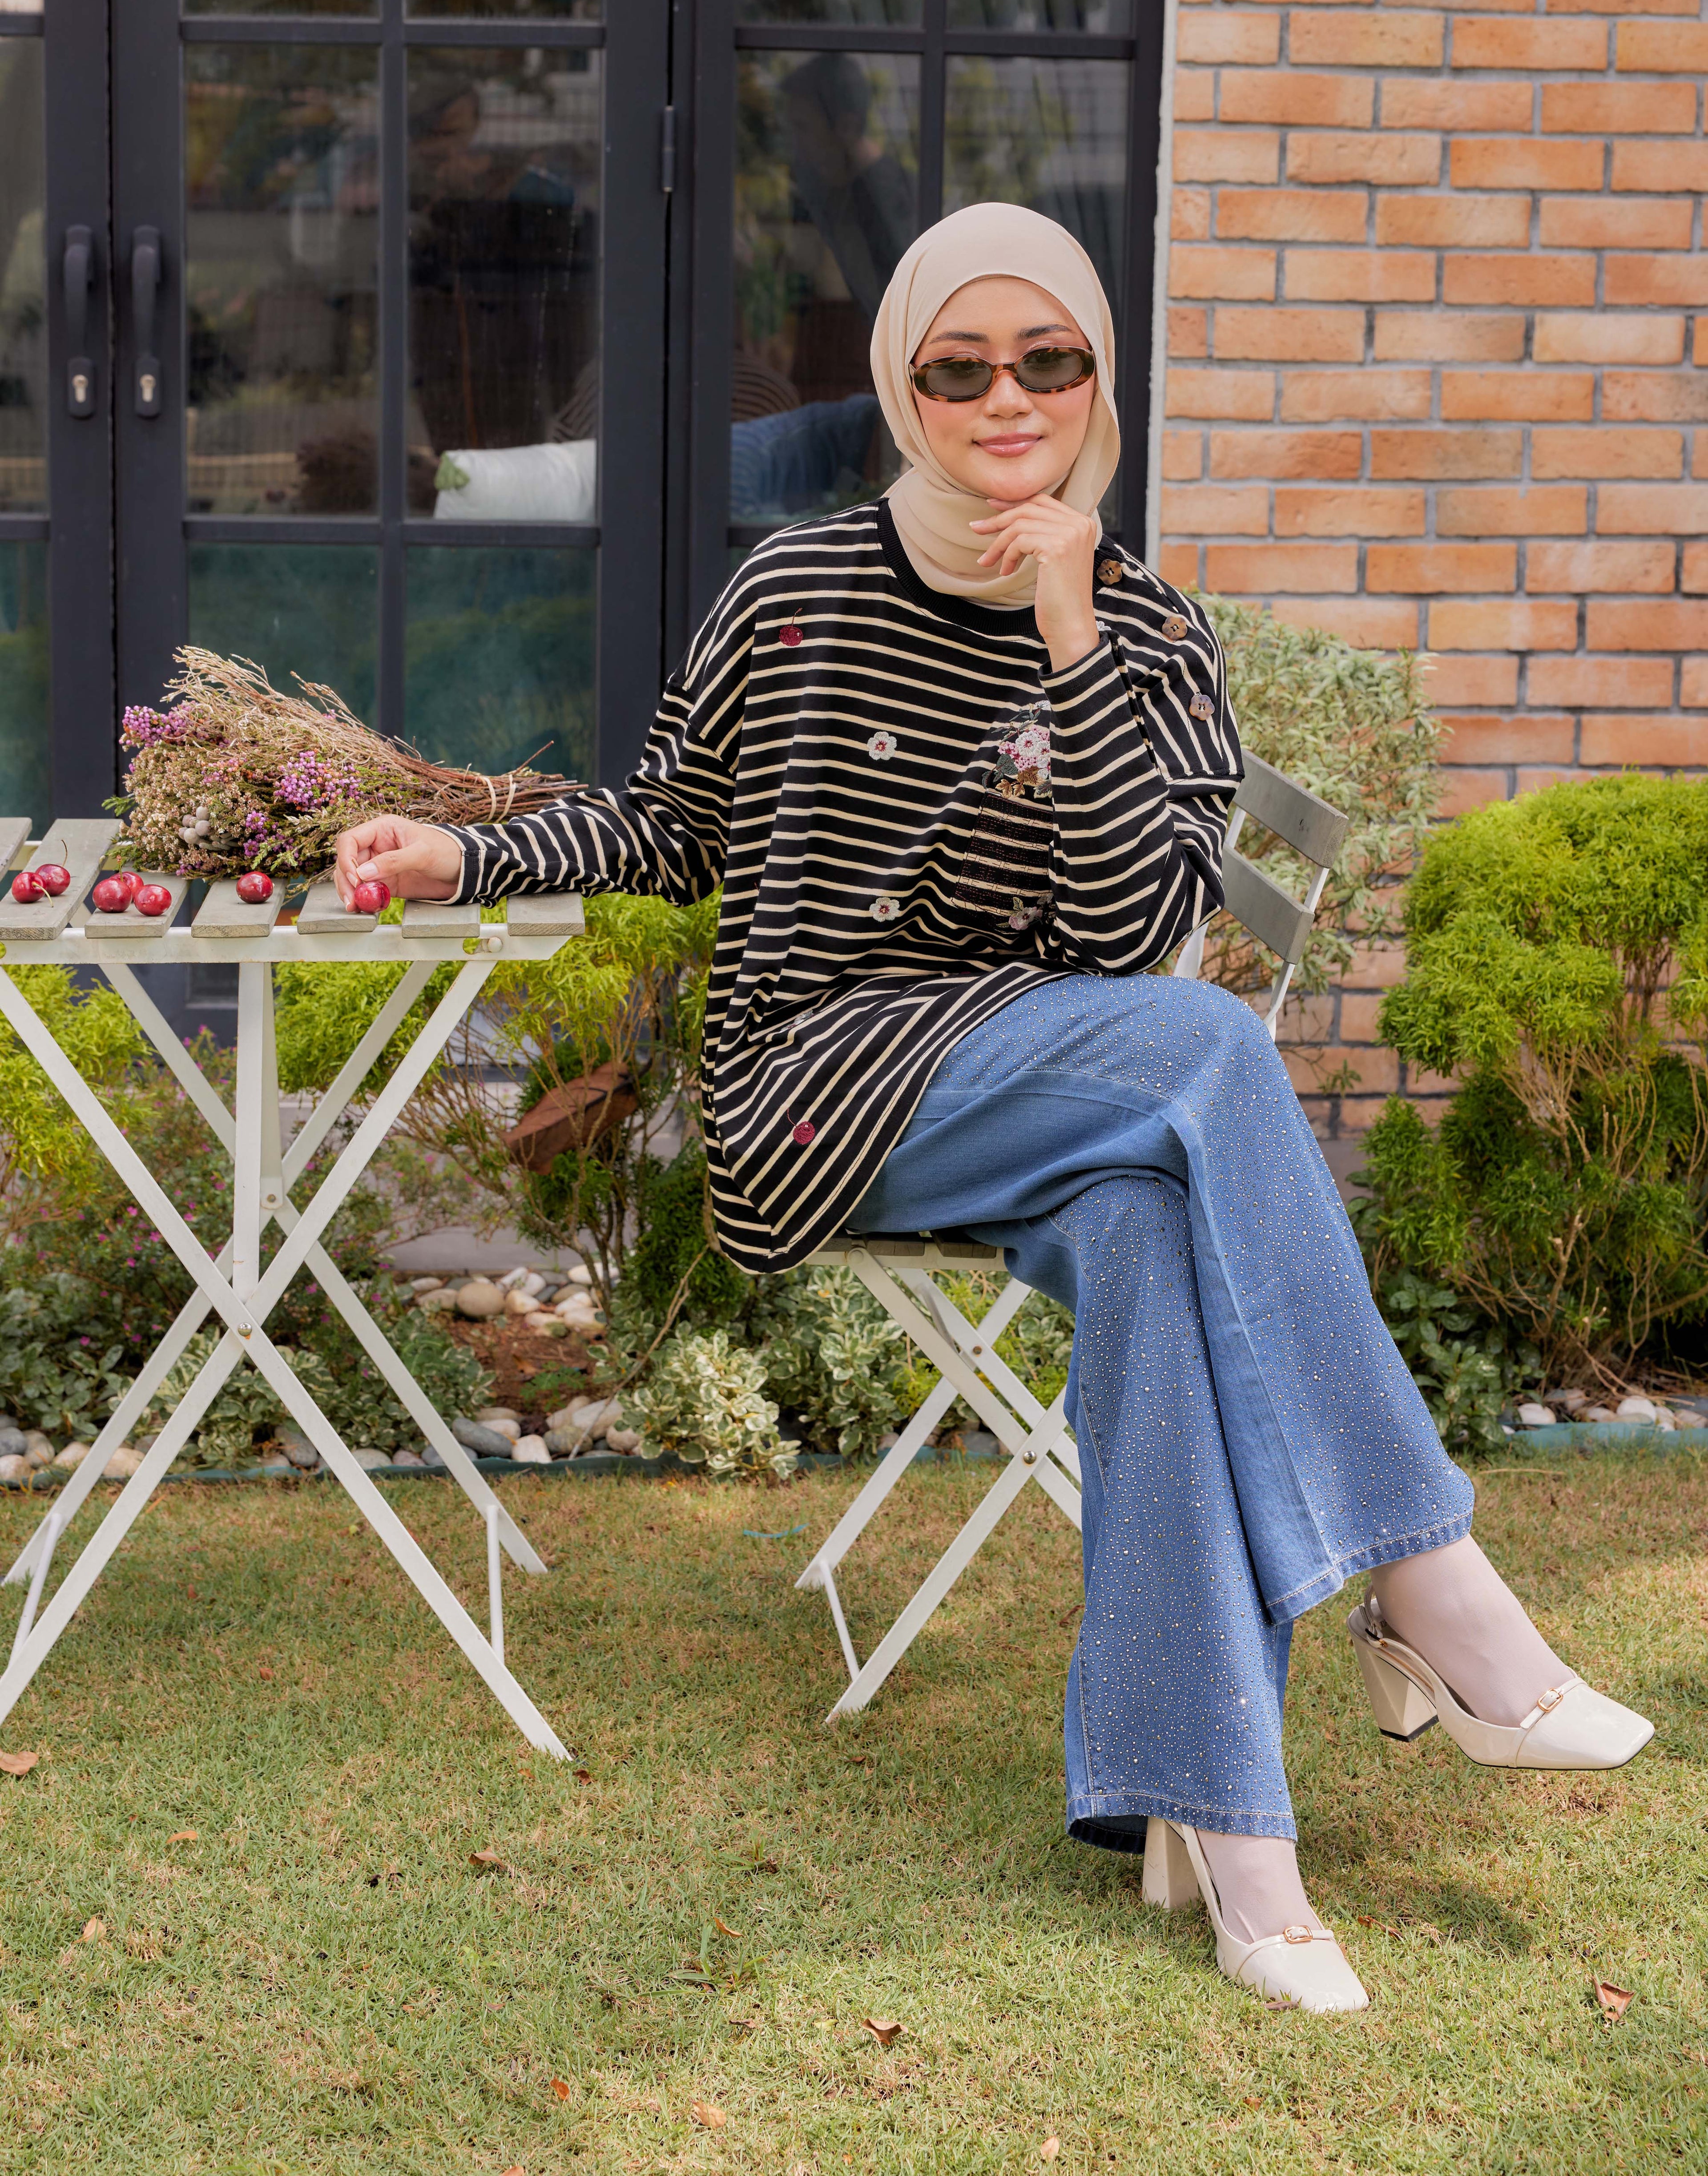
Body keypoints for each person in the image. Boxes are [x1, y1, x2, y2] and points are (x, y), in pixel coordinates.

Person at [335, 204, 1653, 2013]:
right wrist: (466, 849)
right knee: (1211, 1052)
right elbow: (668, 824)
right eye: (959, 367)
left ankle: (1230, 1835)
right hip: (818, 1088)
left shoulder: (1152, 635)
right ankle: (1435, 1589)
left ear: (1100, 380)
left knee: (1147, 1235)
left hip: (1054, 1073)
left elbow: (1126, 931)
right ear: (902, 388)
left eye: (1050, 359)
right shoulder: (792, 593)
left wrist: (1068, 633)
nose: (1005, 396)